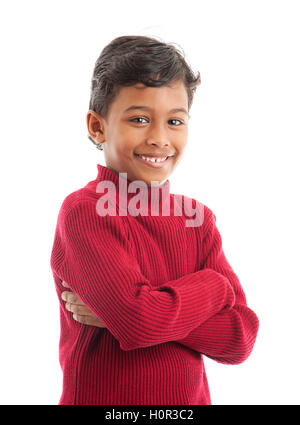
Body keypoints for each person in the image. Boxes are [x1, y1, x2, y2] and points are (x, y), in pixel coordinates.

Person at [50, 35, 259, 405]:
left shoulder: (198, 220)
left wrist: (135, 311)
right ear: (98, 127)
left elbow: (240, 337)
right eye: (140, 119)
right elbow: (137, 321)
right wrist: (213, 286)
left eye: (175, 121)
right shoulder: (84, 211)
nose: (160, 138)